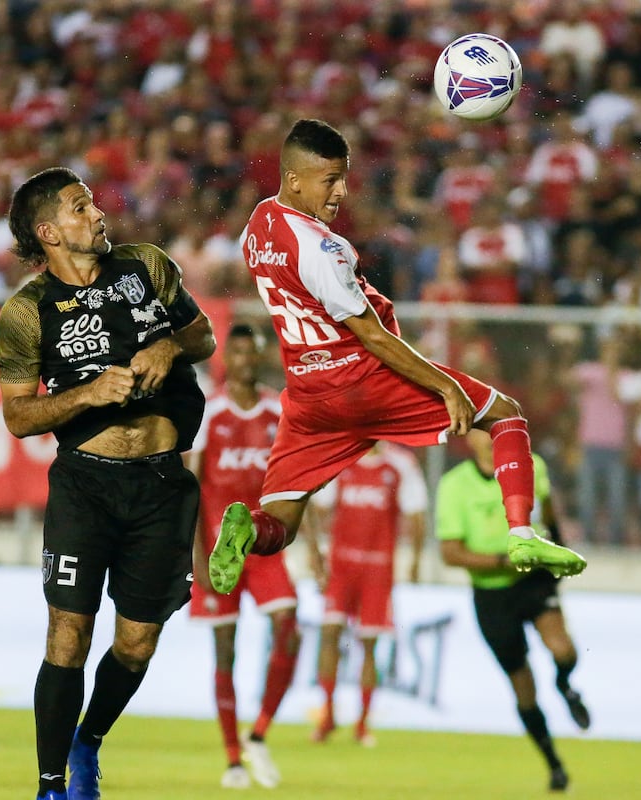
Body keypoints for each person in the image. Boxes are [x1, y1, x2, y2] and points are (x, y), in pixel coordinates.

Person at [207, 118, 585, 597]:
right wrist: (445, 386)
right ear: (294, 178)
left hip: (308, 397)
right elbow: (374, 337)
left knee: (281, 521)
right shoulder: (322, 249)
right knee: (507, 416)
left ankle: (246, 530)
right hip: (363, 382)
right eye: (329, 180)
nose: (341, 191)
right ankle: (522, 535)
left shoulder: (258, 224)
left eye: (343, 177)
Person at [0, 166, 216, 800]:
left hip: (163, 483)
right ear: (49, 231)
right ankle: (48, 785)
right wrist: (90, 393)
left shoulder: (146, 265)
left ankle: (87, 739)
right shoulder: (26, 312)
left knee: (138, 642)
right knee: (68, 632)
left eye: (91, 201)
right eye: (79, 206)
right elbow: (17, 415)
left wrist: (168, 348)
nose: (96, 213)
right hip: (85, 486)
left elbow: (202, 335)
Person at [435, 429, 590, 793]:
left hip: (532, 580)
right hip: (491, 595)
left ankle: (565, 684)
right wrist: (501, 560)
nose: (489, 434)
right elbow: (450, 553)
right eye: (479, 429)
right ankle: (553, 763)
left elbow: (548, 507)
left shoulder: (531, 465)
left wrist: (557, 545)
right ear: (468, 440)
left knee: (562, 649)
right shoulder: (454, 485)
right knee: (523, 688)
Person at [187, 323, 299, 790]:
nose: (246, 361)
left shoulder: (279, 409)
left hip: (264, 547)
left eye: (254, 353)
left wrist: (301, 536)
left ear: (260, 358)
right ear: (225, 361)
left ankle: (259, 734)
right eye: (238, 353)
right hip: (219, 554)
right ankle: (233, 758)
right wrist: (196, 558)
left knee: (290, 629)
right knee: (225, 651)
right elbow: (189, 489)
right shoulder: (210, 413)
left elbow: (296, 482)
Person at [308, 441, 427, 746]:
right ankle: (329, 714)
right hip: (341, 565)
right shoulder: (342, 458)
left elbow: (415, 513)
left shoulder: (400, 465)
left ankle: (362, 723)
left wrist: (414, 560)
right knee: (330, 633)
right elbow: (320, 508)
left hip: (377, 568)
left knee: (369, 644)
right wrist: (317, 556)